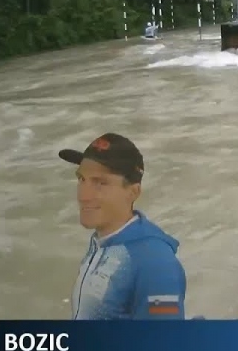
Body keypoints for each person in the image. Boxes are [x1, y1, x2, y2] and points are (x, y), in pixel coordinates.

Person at [59, 133, 187, 320]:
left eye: (101, 183)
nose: (83, 195)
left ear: (133, 192)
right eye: (82, 179)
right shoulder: (102, 241)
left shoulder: (157, 265)